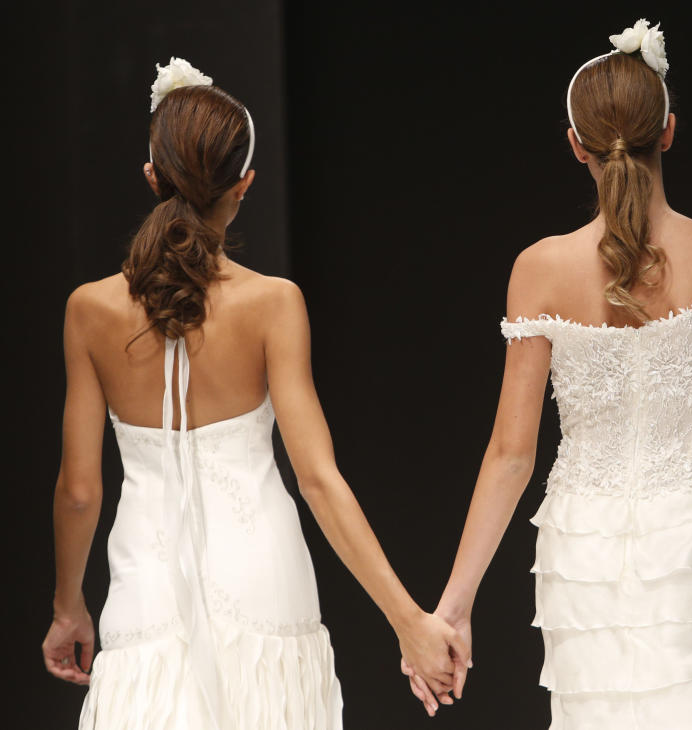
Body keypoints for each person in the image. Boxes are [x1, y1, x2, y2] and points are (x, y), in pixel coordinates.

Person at [402, 19, 692, 729]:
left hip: (581, 539)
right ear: (669, 130)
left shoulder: (537, 269)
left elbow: (511, 454)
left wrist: (451, 609)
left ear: (576, 145)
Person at [41, 59, 467, 729]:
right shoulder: (274, 305)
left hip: (143, 592)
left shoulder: (89, 309)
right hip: (265, 581)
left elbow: (78, 491)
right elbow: (319, 480)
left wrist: (69, 606)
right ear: (245, 187)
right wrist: (407, 620)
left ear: (152, 178)